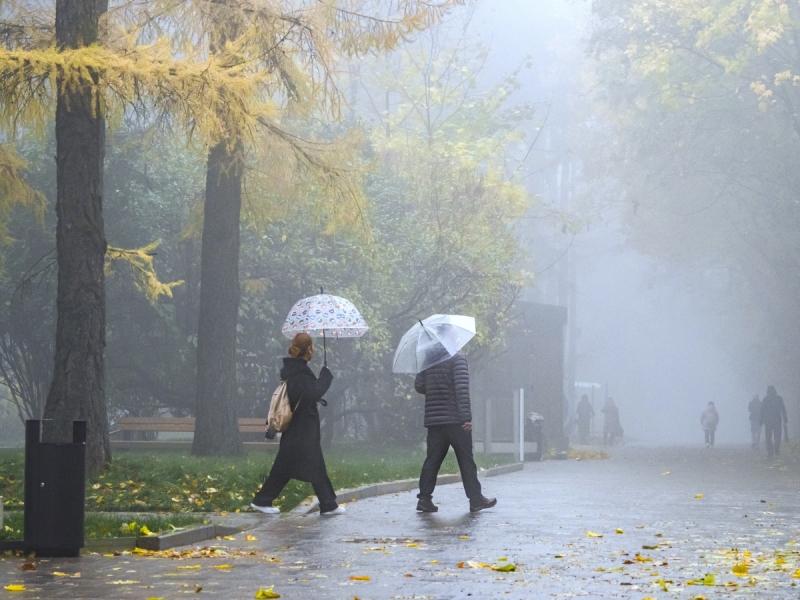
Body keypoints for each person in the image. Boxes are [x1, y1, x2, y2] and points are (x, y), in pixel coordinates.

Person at [251, 333, 344, 515]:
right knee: (301, 465)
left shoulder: (294, 370)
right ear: (309, 349)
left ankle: (328, 504)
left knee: (293, 465)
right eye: (312, 348)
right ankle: (327, 504)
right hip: (302, 428)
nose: (313, 351)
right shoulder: (300, 372)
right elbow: (313, 393)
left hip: (298, 428)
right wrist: (325, 376)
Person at [414, 352, 496, 513]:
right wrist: (466, 417)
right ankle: (476, 500)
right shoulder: (457, 359)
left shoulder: (429, 360)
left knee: (432, 461)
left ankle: (424, 499)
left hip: (435, 420)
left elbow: (419, 386)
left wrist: (435, 385)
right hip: (455, 420)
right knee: (466, 460)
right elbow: (461, 388)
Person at [761, 385, 788, 458]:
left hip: (768, 421)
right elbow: (783, 409)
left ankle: (770, 450)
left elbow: (762, 411)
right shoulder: (779, 399)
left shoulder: (765, 399)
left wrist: (761, 420)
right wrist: (785, 418)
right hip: (777, 420)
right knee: (777, 436)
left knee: (768, 437)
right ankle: (776, 448)